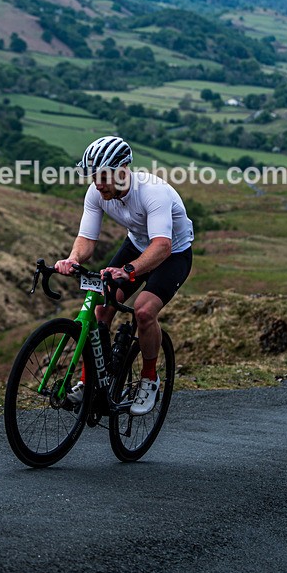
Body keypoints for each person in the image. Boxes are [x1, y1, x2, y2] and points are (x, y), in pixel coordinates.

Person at [55, 136, 194, 415]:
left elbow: (162, 246)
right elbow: (86, 238)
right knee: (100, 308)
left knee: (143, 312)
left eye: (103, 176)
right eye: (94, 177)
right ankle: (89, 381)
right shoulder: (97, 193)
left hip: (172, 253)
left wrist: (128, 270)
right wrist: (73, 259)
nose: (98, 184)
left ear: (122, 170)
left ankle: (149, 378)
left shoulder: (153, 192)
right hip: (137, 245)